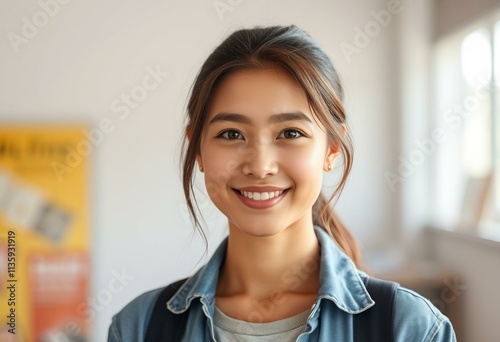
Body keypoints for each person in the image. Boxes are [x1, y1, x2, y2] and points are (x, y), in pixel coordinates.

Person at [108, 25, 456, 341]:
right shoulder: (138, 328)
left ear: (332, 149)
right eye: (231, 134)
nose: (260, 166)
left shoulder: (412, 329)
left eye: (290, 133)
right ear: (197, 147)